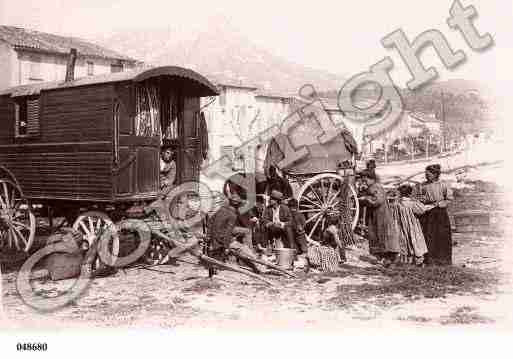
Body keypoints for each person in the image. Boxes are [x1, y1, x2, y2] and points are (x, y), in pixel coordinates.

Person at [206, 192, 262, 273]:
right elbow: (228, 232)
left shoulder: (221, 209)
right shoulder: (232, 215)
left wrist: (208, 236)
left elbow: (210, 222)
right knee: (243, 251)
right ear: (237, 205)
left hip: (214, 238)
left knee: (240, 249)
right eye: (240, 204)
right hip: (222, 240)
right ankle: (258, 266)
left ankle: (255, 266)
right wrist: (225, 247)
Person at [359, 169, 400, 266]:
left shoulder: (376, 187)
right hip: (375, 215)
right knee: (376, 234)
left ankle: (390, 257)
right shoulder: (371, 187)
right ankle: (382, 257)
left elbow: (378, 200)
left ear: (372, 179)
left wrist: (365, 199)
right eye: (363, 181)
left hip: (381, 215)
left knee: (383, 234)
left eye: (366, 181)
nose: (364, 183)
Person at [416, 164, 453, 265]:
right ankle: (431, 260)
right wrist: (422, 201)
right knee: (429, 235)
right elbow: (419, 197)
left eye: (429, 174)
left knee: (442, 236)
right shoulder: (423, 185)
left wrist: (440, 204)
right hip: (428, 213)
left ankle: (444, 260)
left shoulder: (443, 185)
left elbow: (449, 199)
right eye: (426, 174)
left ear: (436, 174)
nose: (426, 176)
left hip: (440, 213)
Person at [394, 184, 433, 266]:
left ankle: (407, 260)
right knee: (415, 240)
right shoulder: (412, 204)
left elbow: (395, 216)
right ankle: (418, 260)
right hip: (413, 226)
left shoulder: (397, 204)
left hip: (401, 226)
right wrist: (430, 206)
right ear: (410, 194)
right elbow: (421, 210)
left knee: (405, 241)